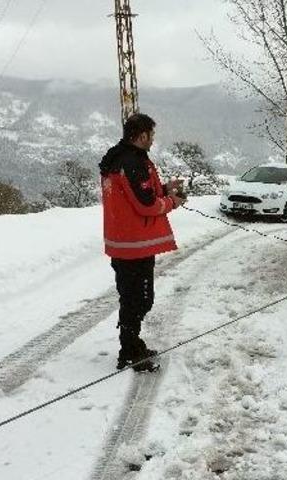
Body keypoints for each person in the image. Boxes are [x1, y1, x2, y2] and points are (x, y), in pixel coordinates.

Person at [99, 113, 185, 372]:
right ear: (142, 135)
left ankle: (132, 346)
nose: (153, 140)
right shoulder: (131, 161)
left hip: (125, 242)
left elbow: (140, 193)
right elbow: (146, 204)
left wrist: (165, 188)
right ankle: (129, 352)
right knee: (139, 299)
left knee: (133, 298)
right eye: (151, 134)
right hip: (135, 245)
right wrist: (172, 202)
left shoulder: (119, 158)